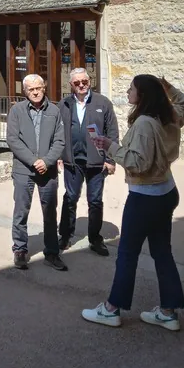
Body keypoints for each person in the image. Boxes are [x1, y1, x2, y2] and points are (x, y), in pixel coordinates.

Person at [82, 76, 184, 332]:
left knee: (127, 254)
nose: (128, 92)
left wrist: (111, 147)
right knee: (162, 253)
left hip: (146, 196)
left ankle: (111, 309)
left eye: (132, 88)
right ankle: (168, 312)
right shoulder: (168, 115)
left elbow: (138, 163)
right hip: (166, 191)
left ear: (142, 95)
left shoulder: (144, 123)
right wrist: (167, 87)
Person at [7, 74, 68, 272]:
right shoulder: (16, 110)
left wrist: (47, 161)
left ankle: (51, 252)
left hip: (48, 171)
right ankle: (20, 250)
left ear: (44, 87)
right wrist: (34, 161)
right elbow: (13, 140)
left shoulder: (54, 110)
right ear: (25, 91)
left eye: (39, 88)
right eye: (31, 89)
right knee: (21, 212)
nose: (35, 92)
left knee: (50, 213)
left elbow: (60, 141)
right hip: (24, 170)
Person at [58, 68, 119, 256]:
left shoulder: (103, 103)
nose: (81, 85)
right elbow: (57, 132)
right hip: (72, 161)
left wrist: (110, 159)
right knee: (70, 198)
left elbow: (112, 132)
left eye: (84, 81)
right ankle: (66, 235)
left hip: (96, 162)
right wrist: (59, 155)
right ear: (71, 85)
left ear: (89, 81)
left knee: (95, 201)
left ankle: (95, 238)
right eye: (77, 83)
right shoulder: (64, 104)